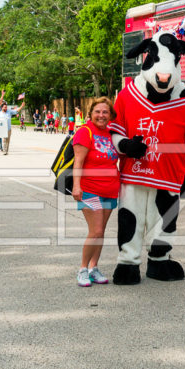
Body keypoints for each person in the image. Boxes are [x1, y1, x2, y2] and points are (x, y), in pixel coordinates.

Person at [71, 98, 120, 287]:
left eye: (105, 112)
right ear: (90, 114)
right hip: (90, 189)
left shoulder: (111, 133)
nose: (101, 115)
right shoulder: (85, 132)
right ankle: (83, 269)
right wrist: (77, 186)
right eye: (97, 112)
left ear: (110, 115)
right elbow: (78, 162)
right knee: (96, 230)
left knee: (101, 232)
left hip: (110, 188)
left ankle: (94, 268)